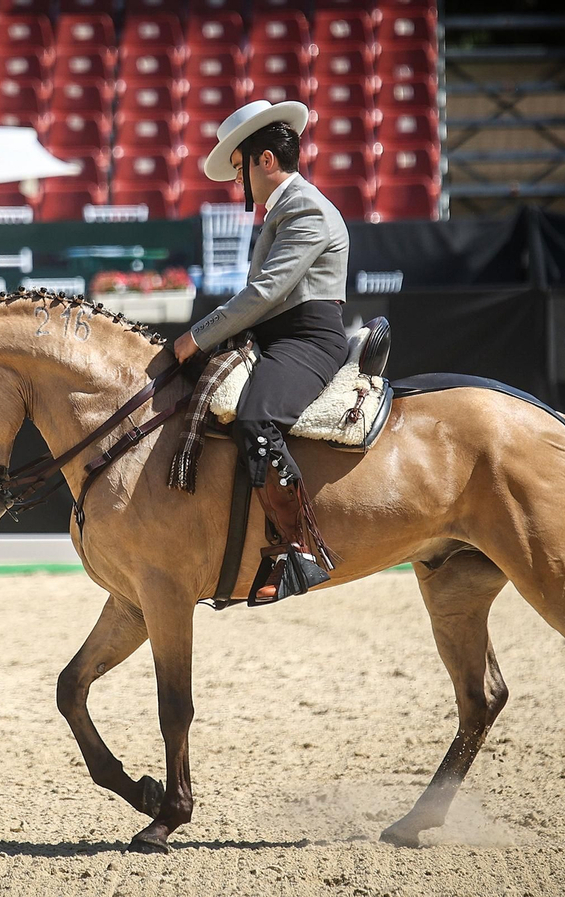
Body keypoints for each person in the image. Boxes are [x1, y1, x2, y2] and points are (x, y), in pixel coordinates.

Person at [171, 99, 350, 603]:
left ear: (265, 160)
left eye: (239, 168)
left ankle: (298, 550)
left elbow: (266, 292)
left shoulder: (305, 207)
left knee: (256, 419)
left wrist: (197, 335)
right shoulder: (286, 209)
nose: (237, 180)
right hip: (277, 337)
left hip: (307, 339)